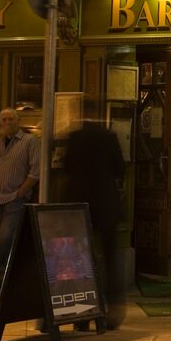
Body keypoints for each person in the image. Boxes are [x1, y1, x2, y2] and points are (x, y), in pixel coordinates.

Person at [62, 121, 126, 329]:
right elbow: (120, 168)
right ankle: (113, 309)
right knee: (109, 258)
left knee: (79, 261)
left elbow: (67, 165)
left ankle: (82, 313)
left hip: (80, 205)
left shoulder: (76, 137)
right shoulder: (109, 137)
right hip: (106, 205)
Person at [0, 108, 40, 291]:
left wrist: (22, 191)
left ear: (18, 121)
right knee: (4, 239)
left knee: (5, 237)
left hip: (15, 198)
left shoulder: (29, 141)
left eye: (10, 119)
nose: (7, 123)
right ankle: (2, 278)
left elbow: (36, 170)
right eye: (3, 119)